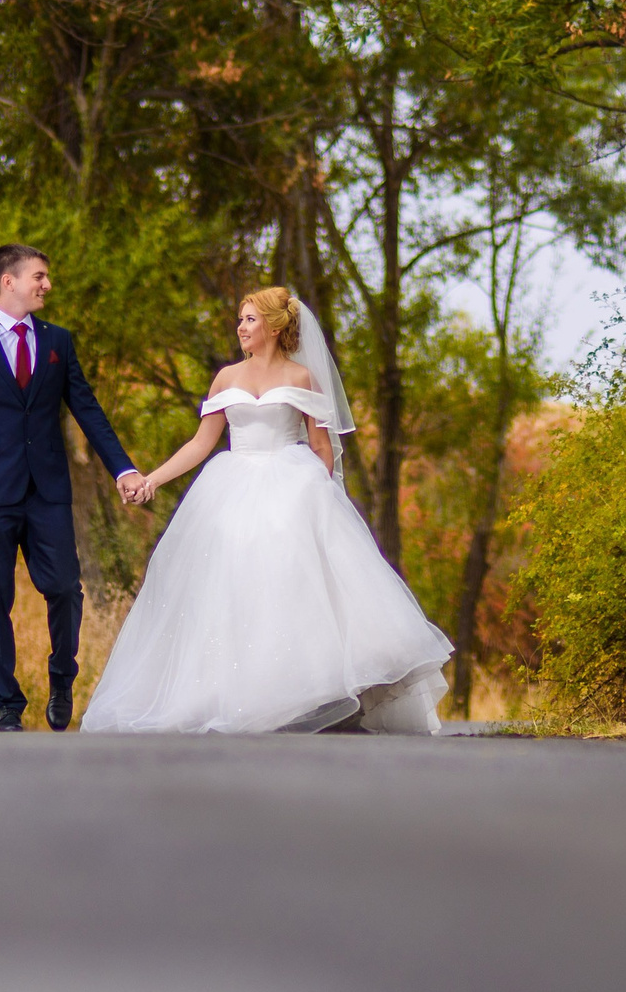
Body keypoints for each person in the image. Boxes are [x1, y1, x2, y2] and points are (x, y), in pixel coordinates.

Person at [84, 287, 451, 735]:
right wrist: (152, 479)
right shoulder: (225, 378)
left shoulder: (301, 378)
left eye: (251, 319)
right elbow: (202, 442)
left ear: (275, 326)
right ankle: (235, 694)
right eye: (240, 319)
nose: (241, 327)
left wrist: (317, 497)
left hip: (292, 482)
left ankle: (309, 696)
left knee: (291, 583)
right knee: (230, 585)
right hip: (232, 484)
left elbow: (321, 447)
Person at [0, 243, 144, 732]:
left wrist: (123, 469)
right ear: (9, 281)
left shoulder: (58, 342)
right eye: (40, 276)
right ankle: (7, 705)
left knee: (65, 590)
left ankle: (62, 676)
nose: (47, 285)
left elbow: (87, 410)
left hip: (47, 489)